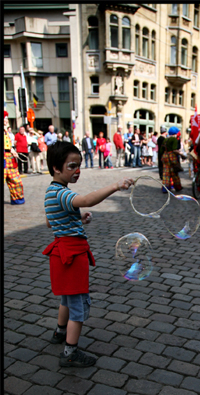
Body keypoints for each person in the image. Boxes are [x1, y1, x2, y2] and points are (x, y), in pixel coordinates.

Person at [42, 140, 134, 367]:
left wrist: (78, 218)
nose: (77, 171)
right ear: (56, 168)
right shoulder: (61, 192)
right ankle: (70, 352)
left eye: (79, 166)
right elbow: (85, 200)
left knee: (67, 297)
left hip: (63, 254)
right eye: (72, 166)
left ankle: (59, 332)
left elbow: (49, 221)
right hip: (71, 257)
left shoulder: (52, 192)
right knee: (79, 305)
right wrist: (115, 186)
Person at [4, 111, 25, 205]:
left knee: (16, 180)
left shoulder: (6, 131)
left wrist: (12, 150)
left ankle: (17, 199)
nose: (7, 120)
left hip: (9, 158)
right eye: (5, 118)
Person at [161, 129, 183, 193]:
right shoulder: (174, 139)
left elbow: (161, 150)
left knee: (166, 173)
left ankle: (165, 188)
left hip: (165, 156)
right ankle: (178, 187)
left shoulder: (165, 139)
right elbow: (174, 150)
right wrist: (181, 154)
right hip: (171, 157)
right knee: (174, 173)